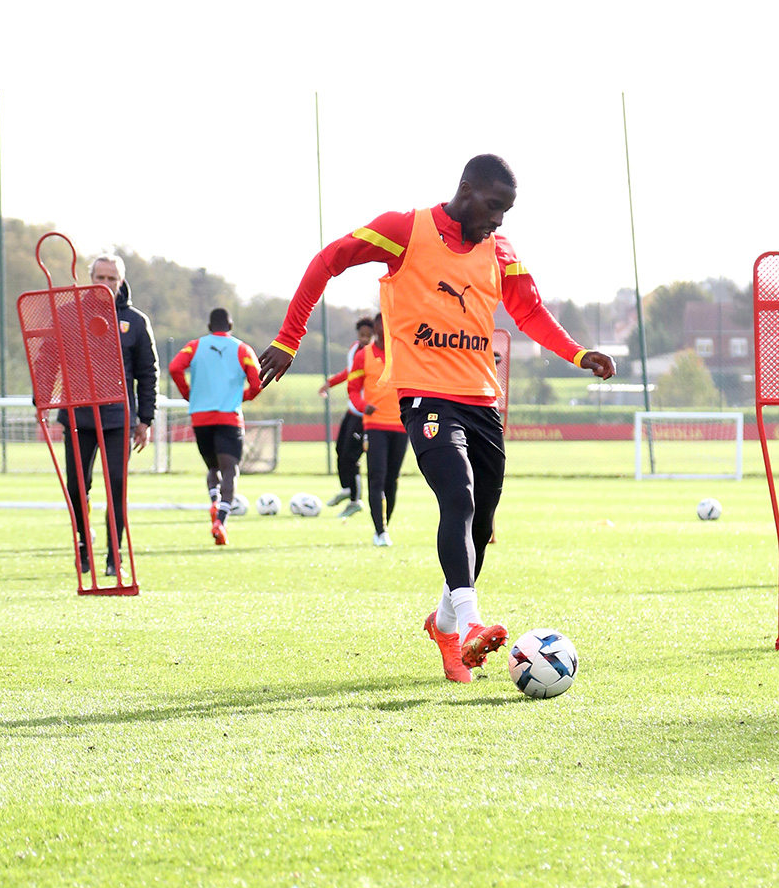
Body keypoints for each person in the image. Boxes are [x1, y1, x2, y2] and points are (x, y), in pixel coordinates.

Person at [258, 153, 615, 683]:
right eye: (494, 207)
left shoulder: (502, 250)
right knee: (459, 496)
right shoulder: (404, 231)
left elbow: (530, 311)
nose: (499, 220)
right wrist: (289, 338)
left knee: (482, 523)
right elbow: (327, 260)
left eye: (507, 211)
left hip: (482, 399)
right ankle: (472, 623)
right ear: (466, 190)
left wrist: (578, 353)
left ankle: (446, 624)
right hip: (424, 395)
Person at [61, 252, 158, 576]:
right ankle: (84, 544)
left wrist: (145, 419)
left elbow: (148, 373)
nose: (105, 284)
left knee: (117, 484)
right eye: (100, 278)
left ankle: (113, 557)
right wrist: (41, 400)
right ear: (91, 279)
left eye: (111, 278)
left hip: (118, 417)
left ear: (121, 281)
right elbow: (49, 356)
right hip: (78, 415)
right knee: (76, 485)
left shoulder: (135, 321)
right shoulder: (70, 314)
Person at [169, 307, 262, 545]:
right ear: (230, 327)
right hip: (229, 417)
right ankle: (220, 520)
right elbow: (257, 381)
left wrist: (189, 393)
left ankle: (213, 500)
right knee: (230, 470)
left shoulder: (194, 346)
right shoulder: (243, 349)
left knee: (213, 468)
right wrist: (244, 396)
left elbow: (174, 368)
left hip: (200, 418)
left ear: (209, 327)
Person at [347, 313, 409, 547]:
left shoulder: (402, 353)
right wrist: (364, 407)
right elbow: (352, 389)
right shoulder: (363, 356)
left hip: (401, 426)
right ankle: (379, 531)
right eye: (379, 325)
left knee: (392, 480)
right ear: (374, 328)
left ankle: (386, 526)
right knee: (377, 477)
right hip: (374, 426)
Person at [318, 316, 373, 519]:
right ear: (358, 335)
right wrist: (329, 383)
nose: (366, 339)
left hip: (367, 414)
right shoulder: (353, 350)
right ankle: (346, 489)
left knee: (352, 456)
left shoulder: (374, 355)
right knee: (340, 449)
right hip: (353, 410)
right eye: (362, 335)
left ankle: (355, 500)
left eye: (369, 335)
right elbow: (349, 373)